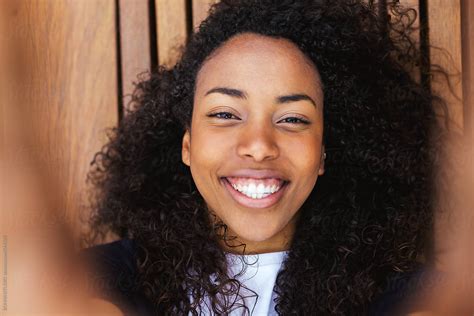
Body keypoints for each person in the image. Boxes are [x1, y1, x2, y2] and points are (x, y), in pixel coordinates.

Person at [80, 0, 450, 314]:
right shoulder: (98, 281)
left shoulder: (411, 298)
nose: (258, 145)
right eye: (225, 114)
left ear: (323, 153)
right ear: (187, 145)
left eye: (292, 119)